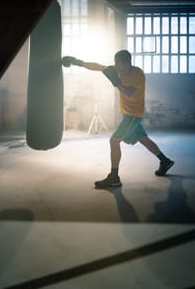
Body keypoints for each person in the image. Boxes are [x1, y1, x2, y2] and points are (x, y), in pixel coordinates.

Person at [61, 50, 174, 188]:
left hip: (133, 115)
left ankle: (114, 177)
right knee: (143, 139)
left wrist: (115, 82)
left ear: (127, 63)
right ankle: (165, 161)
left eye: (119, 64)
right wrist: (77, 62)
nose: (116, 66)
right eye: (115, 63)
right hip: (128, 114)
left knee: (114, 142)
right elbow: (98, 67)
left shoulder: (137, 75)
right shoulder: (118, 69)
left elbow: (129, 94)